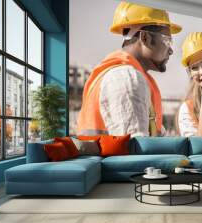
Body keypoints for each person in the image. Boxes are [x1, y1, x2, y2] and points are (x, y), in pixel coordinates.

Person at [77, 2, 182, 137]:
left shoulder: (124, 74)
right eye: (167, 41)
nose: (171, 50)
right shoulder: (126, 78)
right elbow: (135, 149)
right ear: (145, 38)